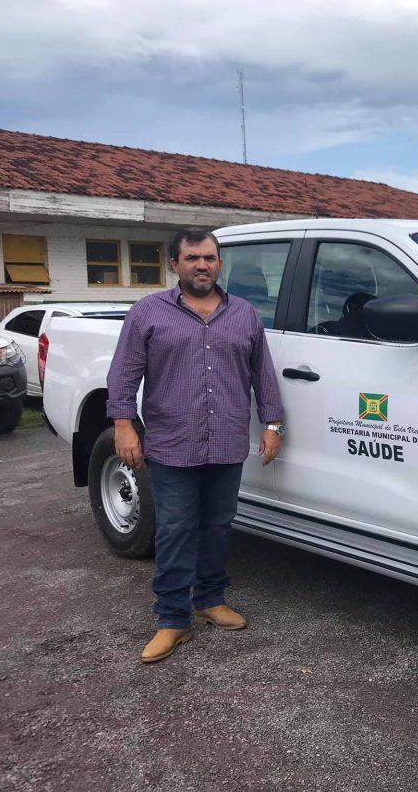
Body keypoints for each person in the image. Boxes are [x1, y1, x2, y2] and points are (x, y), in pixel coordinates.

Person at [107, 228, 285, 664]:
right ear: (175, 264)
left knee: (218, 525)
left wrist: (273, 424)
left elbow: (262, 374)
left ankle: (209, 600)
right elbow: (124, 373)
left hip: (226, 442)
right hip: (171, 444)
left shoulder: (243, 314)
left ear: (219, 263)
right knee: (174, 530)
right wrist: (123, 425)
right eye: (192, 258)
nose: (201, 265)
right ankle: (172, 618)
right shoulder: (147, 313)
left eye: (209, 257)